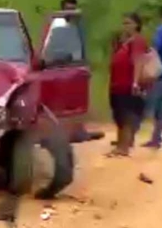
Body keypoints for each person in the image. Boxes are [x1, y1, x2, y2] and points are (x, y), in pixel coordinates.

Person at [60, 0, 106, 143]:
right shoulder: (58, 27)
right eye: (68, 9)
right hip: (62, 67)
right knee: (63, 101)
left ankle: (79, 130)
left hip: (77, 67)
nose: (71, 13)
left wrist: (86, 66)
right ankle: (66, 132)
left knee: (78, 101)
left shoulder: (80, 26)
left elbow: (83, 48)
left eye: (73, 9)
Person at [108, 13, 149, 157]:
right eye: (124, 23)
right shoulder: (124, 41)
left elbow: (138, 61)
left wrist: (135, 82)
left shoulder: (137, 41)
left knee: (126, 116)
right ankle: (120, 144)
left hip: (127, 85)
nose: (125, 26)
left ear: (136, 25)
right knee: (119, 115)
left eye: (129, 23)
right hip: (117, 84)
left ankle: (123, 147)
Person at [141, 7, 162, 149]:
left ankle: (155, 138)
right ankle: (156, 138)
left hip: (161, 74)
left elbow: (155, 48)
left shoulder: (161, 30)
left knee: (158, 107)